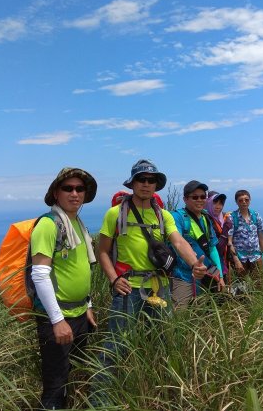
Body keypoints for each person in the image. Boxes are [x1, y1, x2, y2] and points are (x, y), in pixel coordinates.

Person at [94, 160, 206, 401]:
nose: (146, 184)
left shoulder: (162, 215)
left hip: (159, 287)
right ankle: (100, 400)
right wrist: (114, 280)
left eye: (151, 180)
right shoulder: (115, 213)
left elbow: (178, 241)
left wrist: (195, 263)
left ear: (156, 185)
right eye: (141, 179)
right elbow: (102, 251)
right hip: (127, 289)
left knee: (162, 341)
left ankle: (158, 392)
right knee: (116, 345)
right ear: (133, 183)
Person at [30, 167, 98, 410]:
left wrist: (87, 305)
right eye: (68, 188)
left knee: (76, 376)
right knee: (56, 385)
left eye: (80, 188)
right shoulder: (49, 225)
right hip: (57, 319)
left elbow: (82, 269)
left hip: (79, 315)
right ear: (56, 193)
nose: (75, 193)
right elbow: (39, 274)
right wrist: (57, 320)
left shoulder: (77, 224)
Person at [171, 181, 225, 308]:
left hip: (207, 275)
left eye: (203, 197)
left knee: (205, 313)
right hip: (183, 276)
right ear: (185, 199)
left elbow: (212, 248)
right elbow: (176, 243)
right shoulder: (177, 217)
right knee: (179, 317)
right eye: (195, 197)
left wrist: (220, 275)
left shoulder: (205, 217)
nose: (200, 200)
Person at [227, 190, 263, 283]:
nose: (244, 202)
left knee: (258, 284)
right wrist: (236, 260)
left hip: (256, 256)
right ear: (236, 202)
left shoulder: (256, 216)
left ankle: (256, 298)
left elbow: (261, 238)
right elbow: (229, 242)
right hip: (240, 258)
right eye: (240, 200)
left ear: (250, 200)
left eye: (246, 199)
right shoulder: (232, 217)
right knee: (240, 285)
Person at [205, 191, 232, 281]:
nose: (218, 206)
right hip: (210, 265)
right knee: (216, 289)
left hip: (223, 263)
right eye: (215, 202)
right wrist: (226, 228)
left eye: (221, 203)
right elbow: (217, 248)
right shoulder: (206, 220)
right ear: (208, 203)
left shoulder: (222, 219)